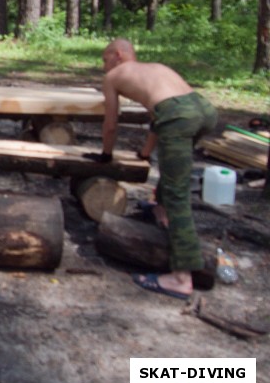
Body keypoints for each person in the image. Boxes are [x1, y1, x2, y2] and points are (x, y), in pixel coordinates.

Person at [84, 38, 218, 300]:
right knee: (174, 171)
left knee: (179, 194)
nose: (104, 66)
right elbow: (162, 113)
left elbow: (111, 122)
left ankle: (181, 278)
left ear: (119, 55)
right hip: (204, 111)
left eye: (105, 59)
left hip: (178, 118)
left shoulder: (113, 77)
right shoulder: (155, 68)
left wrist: (106, 155)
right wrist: (144, 154)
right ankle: (160, 209)